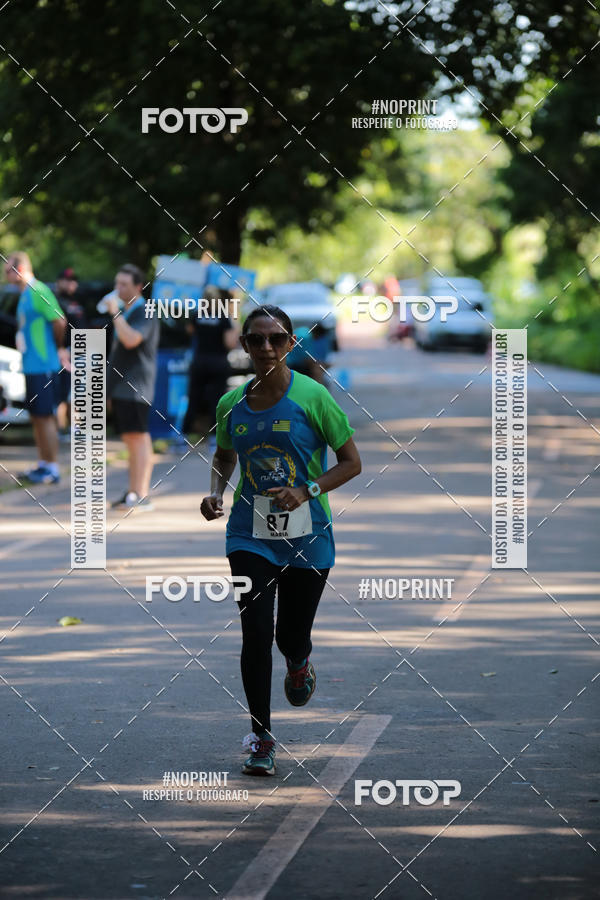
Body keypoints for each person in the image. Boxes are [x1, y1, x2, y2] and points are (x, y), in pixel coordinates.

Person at [200, 304, 361, 776]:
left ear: (291, 343)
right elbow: (224, 456)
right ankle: (261, 738)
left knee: (290, 634)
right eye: (256, 339)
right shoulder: (232, 405)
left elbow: (351, 462)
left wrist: (306, 490)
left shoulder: (313, 396)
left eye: (276, 338)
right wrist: (215, 493)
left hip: (308, 533)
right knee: (255, 634)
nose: (266, 347)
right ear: (244, 346)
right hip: (250, 534)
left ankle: (299, 660)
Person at [5, 251, 68, 484]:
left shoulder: (38, 290)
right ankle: (43, 464)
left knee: (45, 416)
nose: (5, 276)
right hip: (31, 367)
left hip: (44, 366)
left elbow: (59, 320)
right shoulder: (23, 295)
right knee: (36, 417)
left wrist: (58, 347)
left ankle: (52, 468)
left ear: (20, 269)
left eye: (8, 271)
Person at [106, 264, 159, 511]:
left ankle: (140, 494)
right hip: (123, 387)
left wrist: (115, 314)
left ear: (138, 287)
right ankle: (135, 492)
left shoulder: (144, 310)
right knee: (132, 439)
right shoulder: (129, 312)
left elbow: (131, 340)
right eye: (117, 283)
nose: (119, 288)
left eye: (124, 284)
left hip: (135, 386)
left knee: (137, 439)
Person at [183, 286, 239, 449]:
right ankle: (216, 439)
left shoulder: (197, 315)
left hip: (199, 361)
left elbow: (189, 331)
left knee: (193, 398)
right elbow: (229, 343)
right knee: (217, 401)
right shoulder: (224, 317)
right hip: (218, 363)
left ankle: (183, 436)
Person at [51, 267, 87, 436]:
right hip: (65, 353)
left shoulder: (78, 301)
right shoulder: (54, 300)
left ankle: (76, 429)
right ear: (59, 282)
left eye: (74, 280)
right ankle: (60, 429)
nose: (72, 283)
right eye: (68, 280)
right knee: (62, 393)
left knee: (78, 392)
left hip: (81, 351)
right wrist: (62, 349)